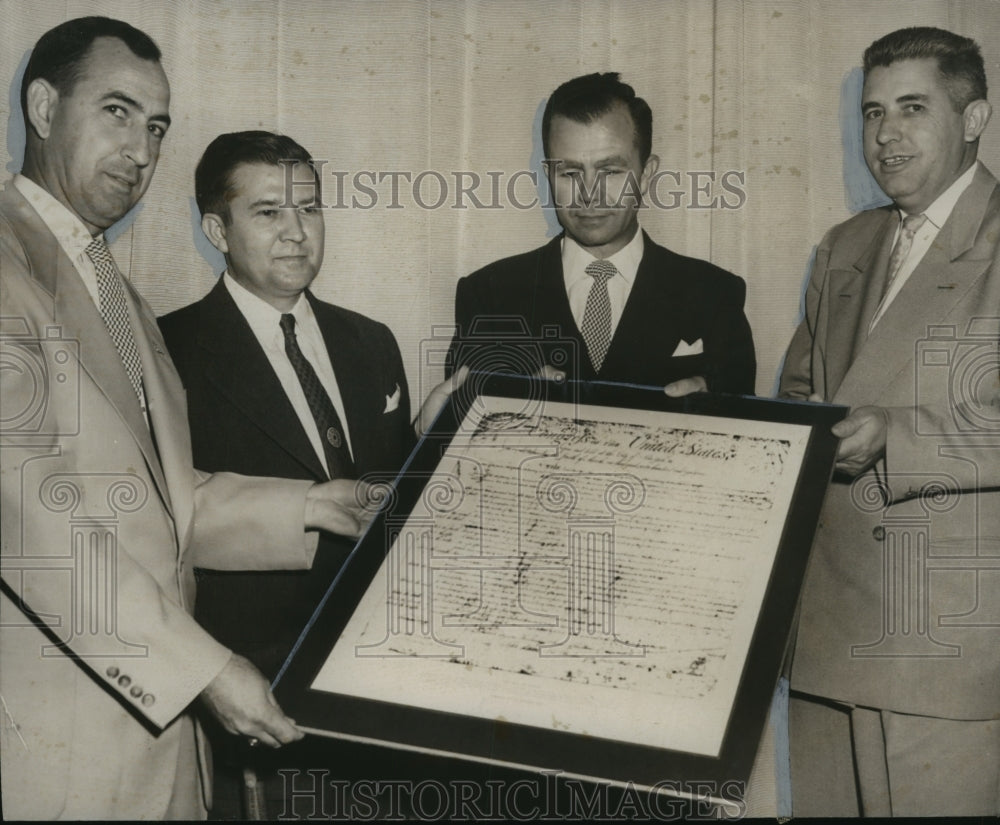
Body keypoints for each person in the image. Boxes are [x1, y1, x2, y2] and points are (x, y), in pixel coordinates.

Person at [0, 18, 375, 820]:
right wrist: (203, 669)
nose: (141, 149)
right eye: (117, 111)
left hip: (160, 750)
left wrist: (311, 505)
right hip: (66, 746)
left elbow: (164, 502)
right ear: (41, 106)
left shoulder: (116, 289)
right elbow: (29, 522)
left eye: (158, 125)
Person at [158, 131, 418, 818]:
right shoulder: (167, 349)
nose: (297, 232)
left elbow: (387, 499)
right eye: (269, 211)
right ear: (216, 228)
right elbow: (166, 525)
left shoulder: (373, 339)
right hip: (255, 710)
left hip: (382, 698)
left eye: (310, 208)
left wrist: (444, 437)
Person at [779, 26, 1000, 817]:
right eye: (873, 113)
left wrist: (897, 437)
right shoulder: (846, 244)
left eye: (913, 108)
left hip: (940, 648)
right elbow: (801, 402)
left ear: (973, 118)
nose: (886, 135)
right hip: (823, 633)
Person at [446, 72, 756, 396]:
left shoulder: (715, 295)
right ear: (549, 176)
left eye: (610, 172)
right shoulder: (488, 297)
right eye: (570, 172)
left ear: (646, 175)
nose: (589, 194)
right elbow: (454, 429)